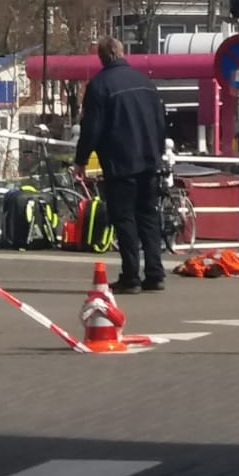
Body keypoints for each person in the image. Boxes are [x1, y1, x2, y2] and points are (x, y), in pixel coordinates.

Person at [72, 37, 167, 295]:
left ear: (102, 58)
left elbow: (92, 128)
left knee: (124, 218)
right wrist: (158, 155)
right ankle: (155, 274)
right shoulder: (146, 84)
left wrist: (81, 160)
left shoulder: (99, 86)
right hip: (149, 162)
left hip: (120, 162)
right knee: (148, 217)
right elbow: (160, 123)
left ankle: (131, 276)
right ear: (122, 53)